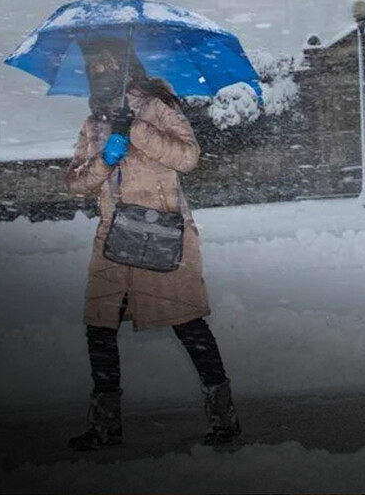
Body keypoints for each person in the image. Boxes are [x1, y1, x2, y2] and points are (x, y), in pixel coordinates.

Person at [65, 37, 241, 450]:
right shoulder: (93, 123)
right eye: (93, 66)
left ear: (128, 65)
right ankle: (106, 426)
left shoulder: (159, 107)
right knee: (100, 328)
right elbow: (76, 182)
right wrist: (106, 158)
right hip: (114, 238)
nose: (100, 72)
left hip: (163, 234)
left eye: (108, 63)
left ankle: (224, 418)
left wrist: (139, 131)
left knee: (188, 323)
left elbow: (188, 157)